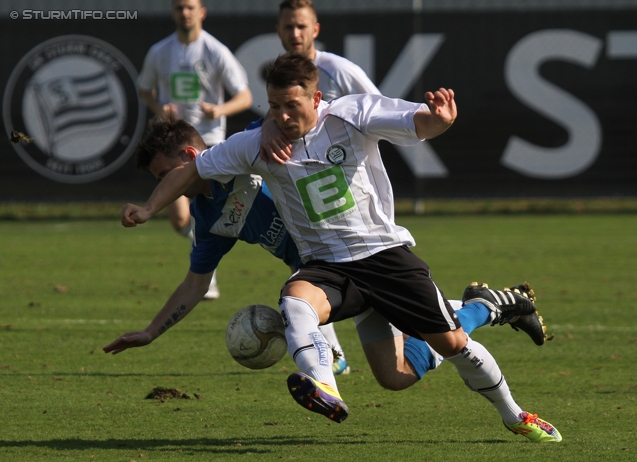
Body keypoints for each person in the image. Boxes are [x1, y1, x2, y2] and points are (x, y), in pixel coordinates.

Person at [115, 53, 561, 442]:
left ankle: (509, 396)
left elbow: (411, 122)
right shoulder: (243, 160)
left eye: (292, 106)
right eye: (274, 108)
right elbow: (194, 231)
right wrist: (150, 211)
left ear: (316, 98)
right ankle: (325, 387)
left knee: (423, 360)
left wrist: (438, 121)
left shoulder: (349, 115)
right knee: (295, 299)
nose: (284, 116)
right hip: (327, 267)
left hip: (382, 255)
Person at [104, 116, 545, 385]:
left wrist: (273, 124)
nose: (166, 188)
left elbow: (301, 115)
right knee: (394, 377)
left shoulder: (249, 146)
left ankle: (478, 312)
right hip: (329, 284)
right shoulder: (209, 216)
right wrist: (150, 332)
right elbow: (196, 283)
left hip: (368, 254)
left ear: (189, 154)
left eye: (166, 174)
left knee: (440, 340)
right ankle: (483, 308)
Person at [137, 0, 253, 300]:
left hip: (208, 143)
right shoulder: (160, 51)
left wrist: (220, 109)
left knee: (205, 211)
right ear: (173, 12)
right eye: (179, 7)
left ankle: (206, 277)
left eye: (190, 7)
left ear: (202, 12)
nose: (184, 13)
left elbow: (244, 95)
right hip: (174, 147)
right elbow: (144, 88)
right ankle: (204, 266)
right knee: (179, 217)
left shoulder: (215, 51)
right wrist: (158, 107)